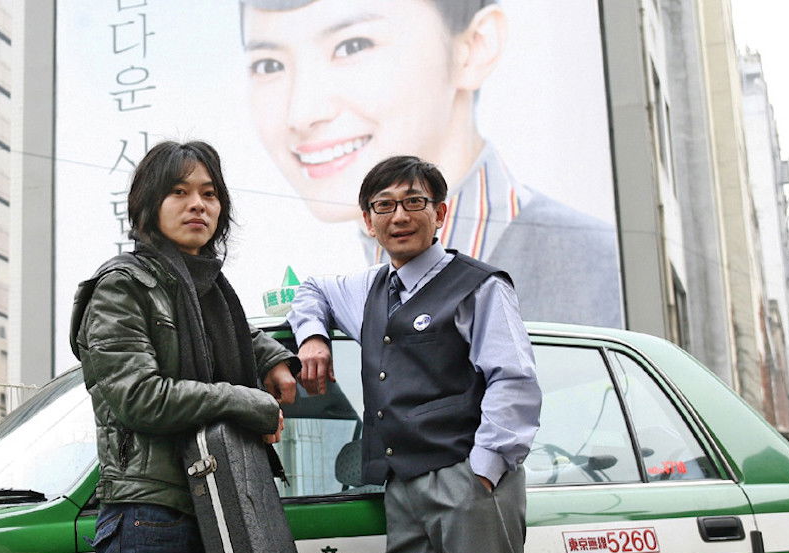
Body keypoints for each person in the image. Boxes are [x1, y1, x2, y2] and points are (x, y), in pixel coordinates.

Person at [288, 155, 542, 553]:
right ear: (367, 219)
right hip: (403, 489)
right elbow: (311, 291)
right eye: (384, 206)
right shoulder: (370, 289)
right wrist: (312, 338)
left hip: (468, 482)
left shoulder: (478, 286)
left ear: (440, 213)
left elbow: (514, 380)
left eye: (413, 203)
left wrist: (483, 472)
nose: (399, 216)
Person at [69, 140, 299, 553]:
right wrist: (246, 402)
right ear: (148, 206)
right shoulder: (122, 286)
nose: (198, 205)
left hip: (221, 512)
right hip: (152, 515)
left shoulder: (210, 290)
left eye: (209, 193)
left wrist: (274, 358)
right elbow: (138, 396)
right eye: (179, 192)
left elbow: (227, 340)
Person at [241, 0, 622, 328]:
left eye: (352, 46)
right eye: (269, 65)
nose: (302, 113)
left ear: (474, 48)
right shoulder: (351, 280)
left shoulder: (600, 266)